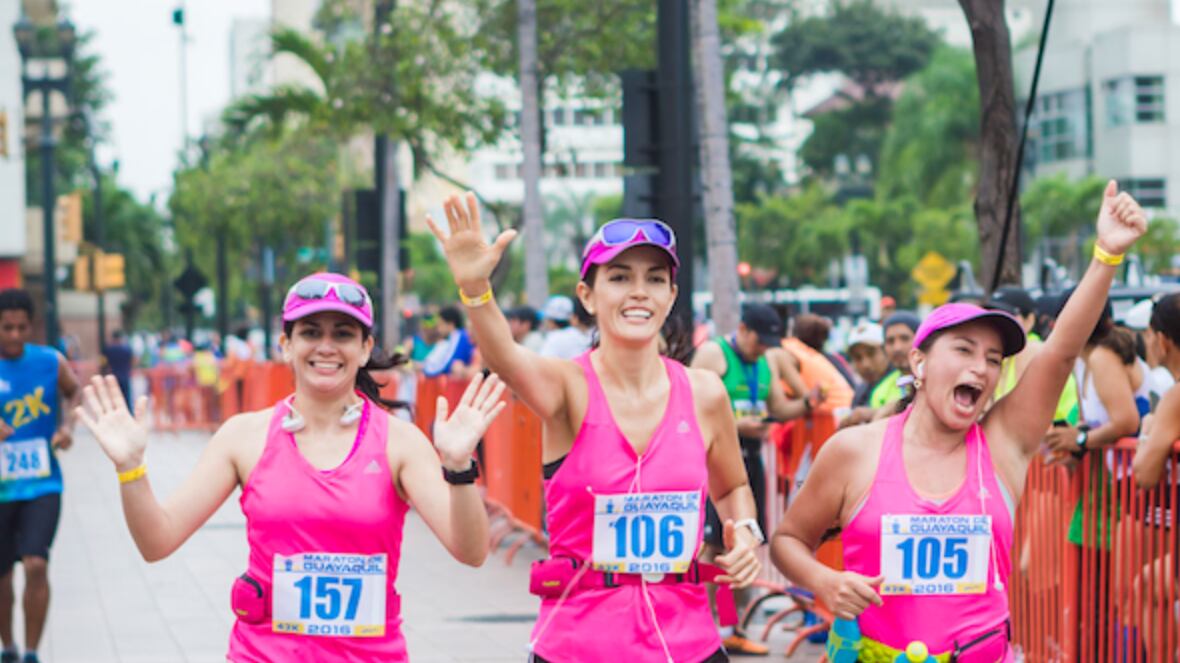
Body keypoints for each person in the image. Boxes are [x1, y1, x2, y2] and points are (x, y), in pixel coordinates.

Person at [770, 182, 1147, 661]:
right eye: (964, 350)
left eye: (993, 359)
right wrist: (824, 580)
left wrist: (1106, 256)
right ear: (919, 363)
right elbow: (787, 540)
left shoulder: (1004, 443)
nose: (981, 368)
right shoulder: (856, 451)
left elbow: (1059, 353)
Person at [76, 273, 505, 662]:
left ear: (365, 348)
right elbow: (158, 541)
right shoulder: (243, 436)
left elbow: (469, 551)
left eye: (343, 333)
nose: (325, 346)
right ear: (286, 345)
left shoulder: (399, 441)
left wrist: (460, 465)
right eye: (309, 332)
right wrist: (131, 469)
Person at [427, 196, 762, 662]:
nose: (639, 292)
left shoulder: (704, 393)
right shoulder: (567, 386)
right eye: (620, 278)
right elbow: (504, 355)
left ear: (671, 295)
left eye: (655, 279)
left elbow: (734, 487)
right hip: (580, 644)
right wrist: (476, 288)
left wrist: (745, 532)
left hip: (688, 643)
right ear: (588, 296)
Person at [690, 303, 815, 655]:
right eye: (759, 341)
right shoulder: (715, 354)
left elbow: (778, 407)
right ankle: (702, 621)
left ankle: (732, 626)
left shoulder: (765, 361)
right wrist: (732, 425)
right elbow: (687, 404)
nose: (763, 349)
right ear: (743, 329)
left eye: (768, 344)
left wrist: (807, 404)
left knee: (745, 543)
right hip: (714, 460)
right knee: (713, 549)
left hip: (750, 461)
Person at [0, 289, 82, 663]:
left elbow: (75, 392)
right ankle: (9, 648)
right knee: (2, 576)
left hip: (43, 484)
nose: (14, 335)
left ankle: (32, 652)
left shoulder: (50, 361)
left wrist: (67, 427)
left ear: (30, 326)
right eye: (6, 328)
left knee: (36, 563)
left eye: (21, 327)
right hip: (2, 489)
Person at [1130, 293, 1180, 662]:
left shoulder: (1176, 397)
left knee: (1148, 585)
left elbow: (1144, 474)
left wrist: (1149, 431)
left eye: (1148, 333)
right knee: (1148, 583)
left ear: (1161, 339)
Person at [841, 322, 896, 428]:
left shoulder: (902, 380)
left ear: (886, 351)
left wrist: (870, 414)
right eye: (858, 357)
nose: (865, 364)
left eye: (871, 354)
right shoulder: (860, 389)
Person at [421, 306, 475, 378]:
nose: (438, 329)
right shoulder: (453, 338)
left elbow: (447, 364)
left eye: (441, 324)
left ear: (450, 324)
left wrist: (428, 370)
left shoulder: (459, 336)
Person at [104, 329, 135, 410]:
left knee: (114, 399)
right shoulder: (127, 349)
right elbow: (133, 361)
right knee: (127, 399)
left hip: (113, 378)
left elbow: (104, 363)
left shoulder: (109, 349)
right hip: (125, 376)